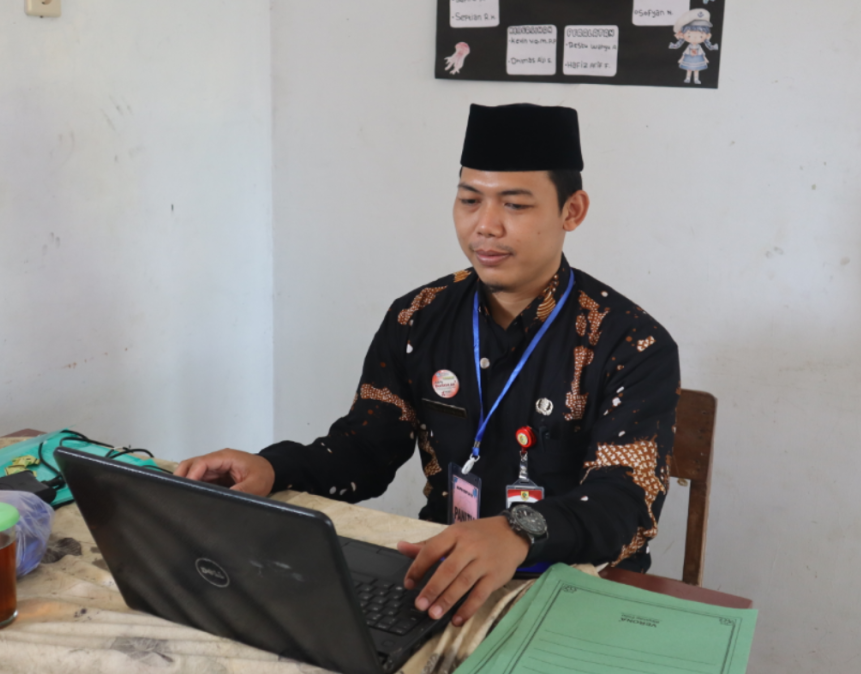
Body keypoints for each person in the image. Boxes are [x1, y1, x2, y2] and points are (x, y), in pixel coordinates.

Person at [175, 103, 680, 628]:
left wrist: (518, 531)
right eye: (469, 200)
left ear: (571, 211)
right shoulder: (419, 317)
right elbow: (365, 448)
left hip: (579, 591)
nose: (485, 226)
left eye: (515, 205)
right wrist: (274, 468)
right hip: (442, 578)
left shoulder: (630, 343)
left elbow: (625, 503)